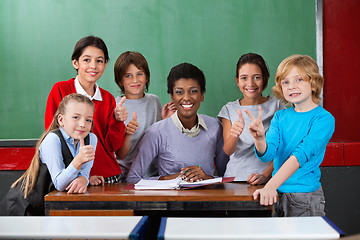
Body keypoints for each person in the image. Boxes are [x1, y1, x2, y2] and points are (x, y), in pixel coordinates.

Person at [246, 54, 335, 216]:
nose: (291, 86)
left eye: (299, 79)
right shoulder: (280, 117)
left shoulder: (324, 119)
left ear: (314, 83)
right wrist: (259, 138)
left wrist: (270, 185)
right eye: (285, 82)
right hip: (276, 194)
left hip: (304, 197)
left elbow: (299, 155)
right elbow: (267, 155)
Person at [126, 62, 229, 183]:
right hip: (172, 201)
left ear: (202, 95)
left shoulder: (215, 127)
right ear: (172, 96)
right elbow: (132, 179)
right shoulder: (156, 132)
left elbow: (226, 176)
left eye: (193, 91)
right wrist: (172, 178)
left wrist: (207, 177)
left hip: (209, 200)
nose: (186, 98)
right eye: (179, 92)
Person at [44, 36, 127, 185]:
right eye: (87, 60)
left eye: (99, 61)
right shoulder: (61, 90)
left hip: (108, 177)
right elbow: (53, 133)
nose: (93, 66)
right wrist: (81, 175)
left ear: (106, 64)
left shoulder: (107, 98)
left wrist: (118, 121)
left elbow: (112, 146)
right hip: (71, 178)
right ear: (75, 62)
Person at [0, 94, 97, 215]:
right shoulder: (52, 139)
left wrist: (83, 179)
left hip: (50, 206)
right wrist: (78, 161)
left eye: (88, 120)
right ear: (61, 120)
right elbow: (60, 183)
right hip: (25, 207)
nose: (83, 124)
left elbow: (84, 173)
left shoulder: (91, 139)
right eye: (76, 117)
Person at [218, 53, 285, 183]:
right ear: (237, 81)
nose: (250, 83)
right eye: (244, 78)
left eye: (257, 77)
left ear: (265, 79)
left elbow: (283, 149)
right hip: (234, 180)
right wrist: (234, 134)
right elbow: (228, 150)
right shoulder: (229, 109)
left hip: (269, 180)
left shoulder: (278, 106)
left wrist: (265, 175)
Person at [113, 51, 176, 181]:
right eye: (128, 76)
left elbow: (157, 139)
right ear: (120, 81)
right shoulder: (115, 106)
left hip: (151, 175)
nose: (135, 80)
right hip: (123, 175)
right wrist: (127, 133)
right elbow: (119, 154)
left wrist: (165, 121)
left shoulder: (154, 101)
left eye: (139, 74)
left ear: (147, 77)